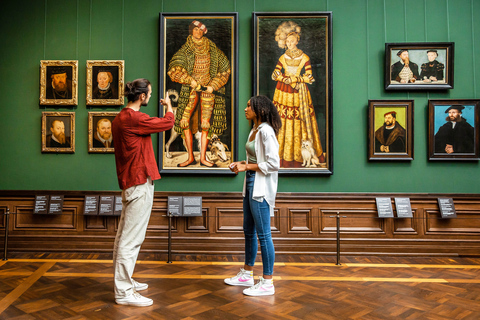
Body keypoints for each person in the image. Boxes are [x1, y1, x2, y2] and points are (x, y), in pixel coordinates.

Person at [112, 78, 174, 307]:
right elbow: (166, 124)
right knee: (131, 240)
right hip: (138, 183)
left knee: (124, 239)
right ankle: (124, 291)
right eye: (148, 93)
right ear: (142, 96)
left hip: (132, 183)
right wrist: (169, 107)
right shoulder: (135, 118)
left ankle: (125, 282)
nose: (149, 96)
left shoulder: (121, 117)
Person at [224, 95, 281, 296]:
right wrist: (240, 164)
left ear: (260, 110)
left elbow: (274, 164)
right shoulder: (254, 130)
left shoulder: (266, 131)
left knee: (264, 234)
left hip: (261, 188)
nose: (245, 108)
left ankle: (267, 282)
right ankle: (247, 274)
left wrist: (246, 166)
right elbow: (257, 158)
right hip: (249, 184)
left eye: (249, 106)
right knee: (248, 229)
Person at [167, 20, 231, 167]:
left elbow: (225, 69)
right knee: (185, 121)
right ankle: (190, 157)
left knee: (206, 124)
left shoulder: (212, 49)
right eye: (195, 29)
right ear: (191, 31)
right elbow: (174, 67)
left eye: (200, 30)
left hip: (208, 89)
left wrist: (213, 86)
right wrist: (189, 80)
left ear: (204, 32)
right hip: (190, 90)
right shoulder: (186, 49)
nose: (198, 32)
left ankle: (203, 158)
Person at [271, 21, 324, 168]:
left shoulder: (304, 57)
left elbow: (310, 78)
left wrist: (294, 79)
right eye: (287, 41)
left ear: (297, 41)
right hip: (283, 92)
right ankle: (282, 156)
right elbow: (274, 74)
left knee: (300, 120)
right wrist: (284, 79)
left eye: (292, 41)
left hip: (299, 92)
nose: (289, 43)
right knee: (283, 120)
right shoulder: (282, 58)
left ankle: (301, 157)